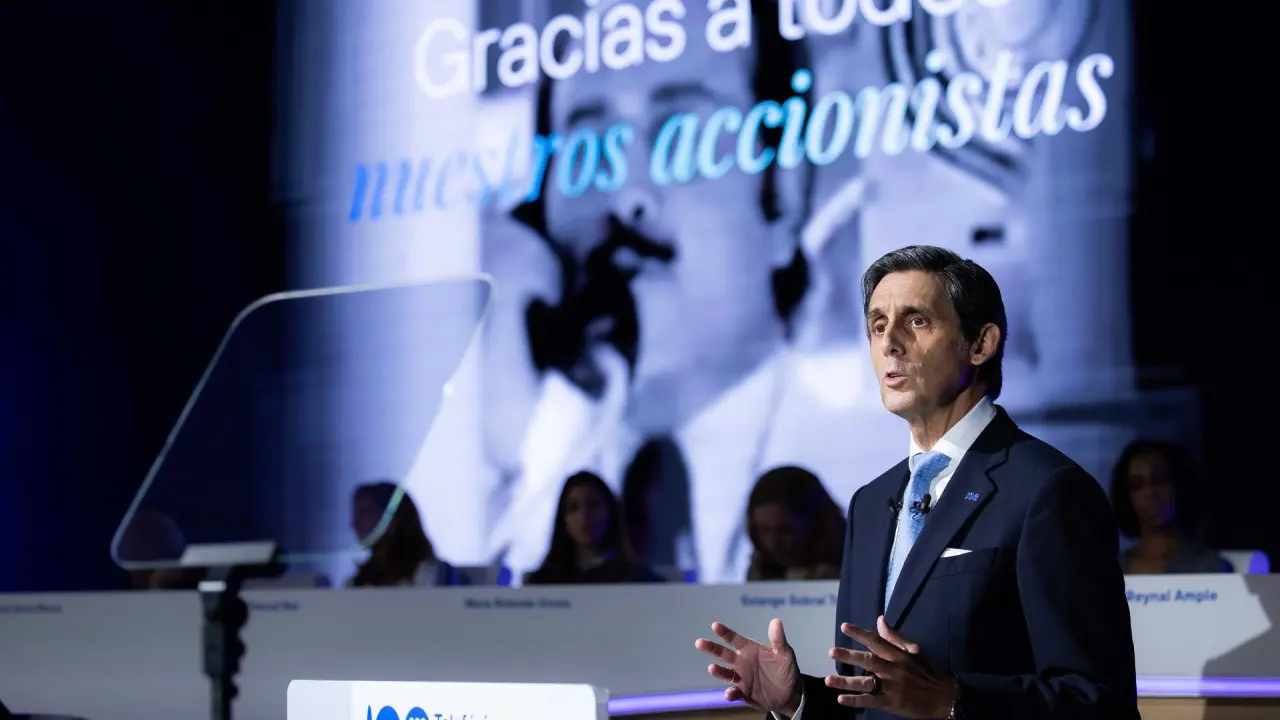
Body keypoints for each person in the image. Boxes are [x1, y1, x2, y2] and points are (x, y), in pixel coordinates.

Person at [483, 0, 906, 583]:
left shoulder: (881, 466)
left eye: (678, 136)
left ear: (784, 190)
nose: (628, 199)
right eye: (589, 147)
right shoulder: (516, 493)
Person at [695, 246, 1139, 719]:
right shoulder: (870, 503)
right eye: (877, 326)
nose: (890, 343)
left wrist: (954, 702)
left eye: (917, 321)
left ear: (980, 344)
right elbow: (869, 701)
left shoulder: (1049, 491)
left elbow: (1099, 702)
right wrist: (797, 700)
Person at [1110, 439, 1230, 574]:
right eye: (1137, 485)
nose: (1150, 492)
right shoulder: (1108, 569)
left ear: (1181, 485)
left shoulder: (1210, 566)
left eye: (1160, 480)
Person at [524, 471, 661, 585]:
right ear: (563, 519)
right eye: (573, 508)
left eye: (593, 505)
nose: (584, 516)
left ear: (610, 510)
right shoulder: (543, 583)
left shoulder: (636, 580)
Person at [346, 482, 465, 587]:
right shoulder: (357, 585)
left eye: (364, 511)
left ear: (394, 517)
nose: (355, 522)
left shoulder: (436, 576)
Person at [746, 466, 845, 582]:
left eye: (785, 531)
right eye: (763, 531)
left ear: (819, 525)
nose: (773, 543)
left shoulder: (853, 570)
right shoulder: (759, 571)